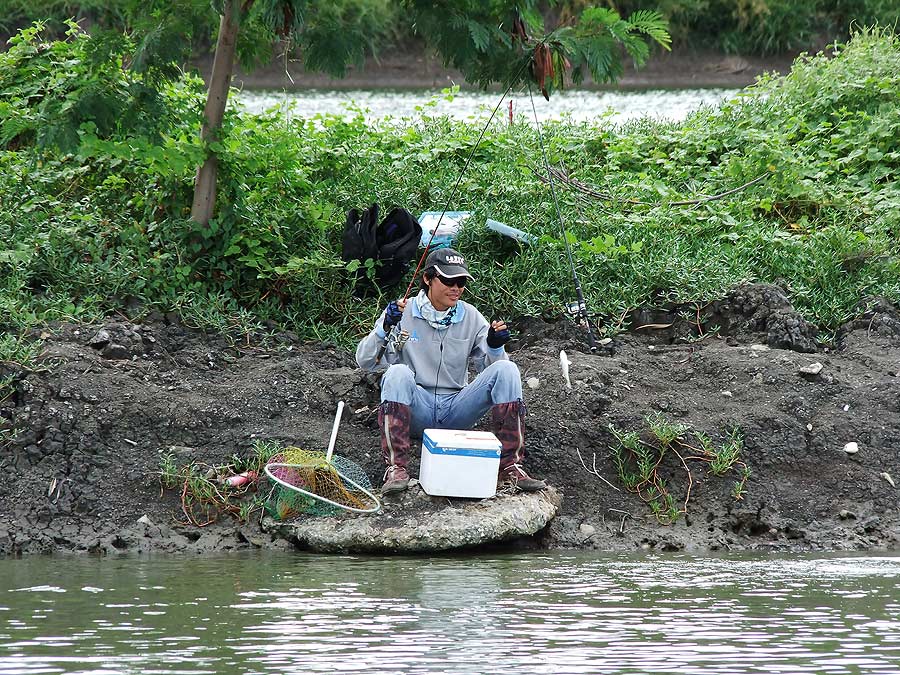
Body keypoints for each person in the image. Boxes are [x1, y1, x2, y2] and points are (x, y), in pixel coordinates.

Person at [356, 247, 546, 495]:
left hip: (457, 409)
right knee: (397, 373)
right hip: (417, 409)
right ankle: (395, 468)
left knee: (507, 369)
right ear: (427, 279)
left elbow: (493, 373)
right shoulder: (402, 313)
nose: (456, 288)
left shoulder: (472, 317)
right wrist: (383, 328)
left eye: (461, 282)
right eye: (448, 280)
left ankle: (511, 467)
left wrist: (495, 346)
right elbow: (366, 362)